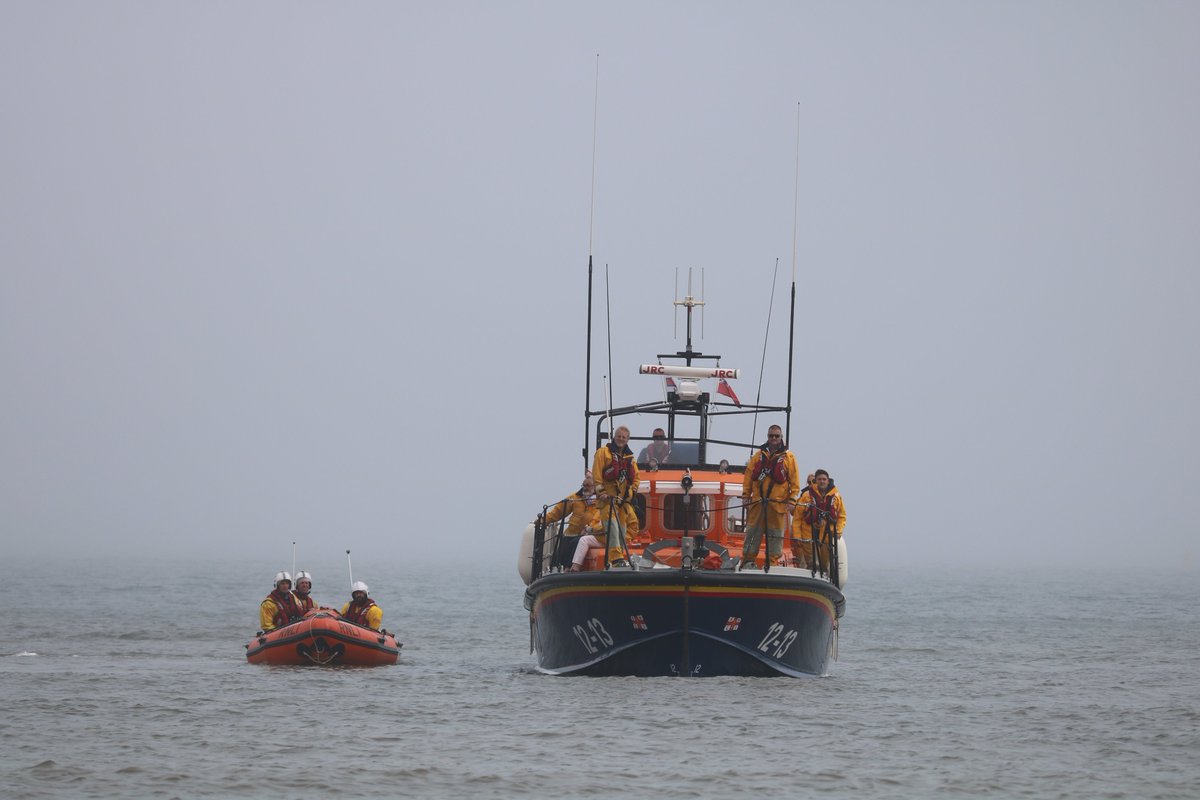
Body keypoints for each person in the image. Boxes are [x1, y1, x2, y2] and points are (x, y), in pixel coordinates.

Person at [740, 425, 800, 569]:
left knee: (775, 536)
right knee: (753, 533)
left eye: (776, 436)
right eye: (771, 436)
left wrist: (792, 500)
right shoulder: (758, 456)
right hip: (758, 504)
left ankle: (772, 563)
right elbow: (748, 476)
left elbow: (795, 482)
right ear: (767, 437)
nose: (773, 438)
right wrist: (745, 495)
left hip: (777, 505)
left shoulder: (789, 458)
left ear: (781, 438)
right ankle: (748, 561)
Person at [592, 425, 640, 568]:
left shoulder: (630, 458)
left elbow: (636, 478)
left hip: (623, 502)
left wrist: (631, 493)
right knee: (612, 527)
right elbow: (597, 475)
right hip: (608, 501)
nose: (621, 439)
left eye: (624, 437)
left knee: (622, 530)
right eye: (619, 436)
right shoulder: (603, 453)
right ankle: (616, 559)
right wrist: (602, 493)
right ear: (614, 437)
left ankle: (619, 557)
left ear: (628, 439)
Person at [791, 469, 847, 572]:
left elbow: (842, 516)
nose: (822, 481)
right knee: (813, 564)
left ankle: (823, 575)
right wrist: (797, 536)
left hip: (826, 535)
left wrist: (838, 531)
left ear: (828, 481)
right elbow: (797, 518)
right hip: (808, 534)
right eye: (819, 479)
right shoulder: (806, 496)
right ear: (816, 481)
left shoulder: (836, 497)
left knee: (824, 565)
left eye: (824, 479)